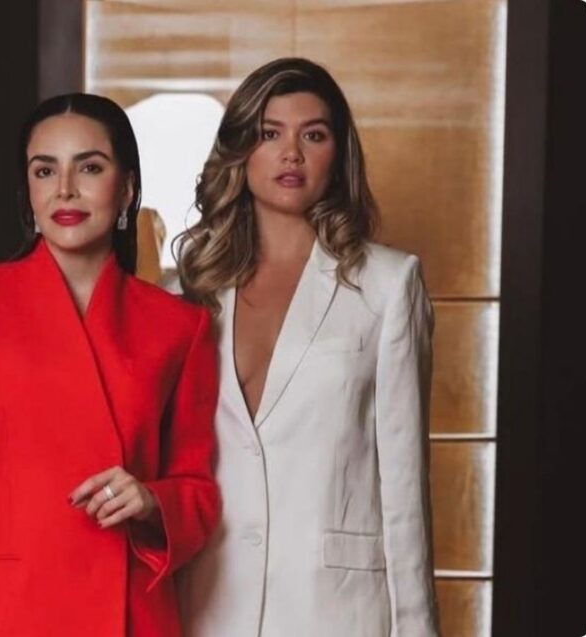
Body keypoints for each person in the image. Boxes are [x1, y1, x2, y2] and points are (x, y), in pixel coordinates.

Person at [0, 93, 220, 637]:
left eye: (90, 167)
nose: (66, 190)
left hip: (130, 610)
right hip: (6, 611)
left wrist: (152, 500)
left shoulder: (179, 327)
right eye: (45, 170)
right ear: (29, 192)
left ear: (125, 188)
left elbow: (198, 490)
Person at [174, 58, 440, 637]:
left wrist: (418, 628)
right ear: (241, 150)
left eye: (313, 135)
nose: (291, 153)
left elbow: (404, 486)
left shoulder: (389, 285)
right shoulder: (185, 295)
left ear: (337, 156)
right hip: (207, 604)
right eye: (270, 134)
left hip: (337, 610)